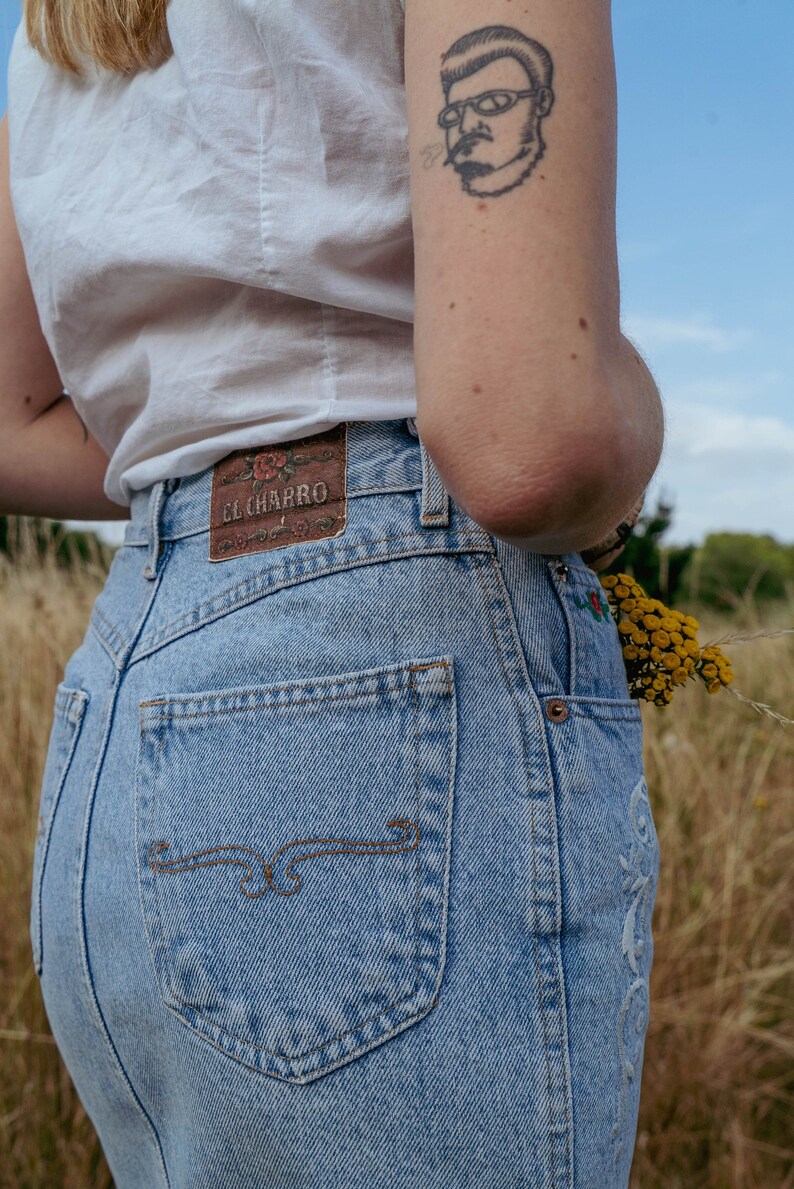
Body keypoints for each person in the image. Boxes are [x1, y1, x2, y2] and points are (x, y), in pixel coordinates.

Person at [1, 0, 665, 1185]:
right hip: (378, 675)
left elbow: (10, 425)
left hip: (130, 691)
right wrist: (624, 414)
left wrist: (219, 460)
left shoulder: (57, 30)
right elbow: (528, 442)